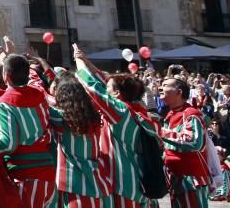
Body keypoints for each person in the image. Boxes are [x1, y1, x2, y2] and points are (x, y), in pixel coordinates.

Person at [74, 45, 161, 208]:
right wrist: (85, 60)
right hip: (139, 182)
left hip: (124, 185)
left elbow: (92, 87)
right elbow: (103, 79)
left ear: (117, 94)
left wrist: (78, 61)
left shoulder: (120, 112)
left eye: (108, 89)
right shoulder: (138, 111)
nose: (105, 88)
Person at [0, 53, 58, 208]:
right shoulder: (40, 93)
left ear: (6, 76)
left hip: (24, 175)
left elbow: (8, 144)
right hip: (48, 172)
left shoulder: (3, 104)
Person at [51, 73, 112, 206]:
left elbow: (42, 100)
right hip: (99, 180)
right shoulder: (94, 115)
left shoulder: (60, 118)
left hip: (74, 185)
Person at [160, 76, 211, 208]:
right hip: (176, 178)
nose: (161, 87)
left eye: (165, 85)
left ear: (179, 92)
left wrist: (160, 132)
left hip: (191, 179)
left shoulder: (190, 114)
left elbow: (194, 142)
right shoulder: (170, 114)